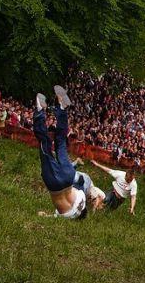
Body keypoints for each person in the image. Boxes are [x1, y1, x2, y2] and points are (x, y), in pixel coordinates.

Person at [34, 86, 87, 219]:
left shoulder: (82, 199)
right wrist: (44, 215)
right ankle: (40, 110)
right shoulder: (70, 216)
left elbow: (80, 184)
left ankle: (62, 109)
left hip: (69, 177)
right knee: (45, 147)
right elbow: (49, 216)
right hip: (55, 185)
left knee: (61, 142)